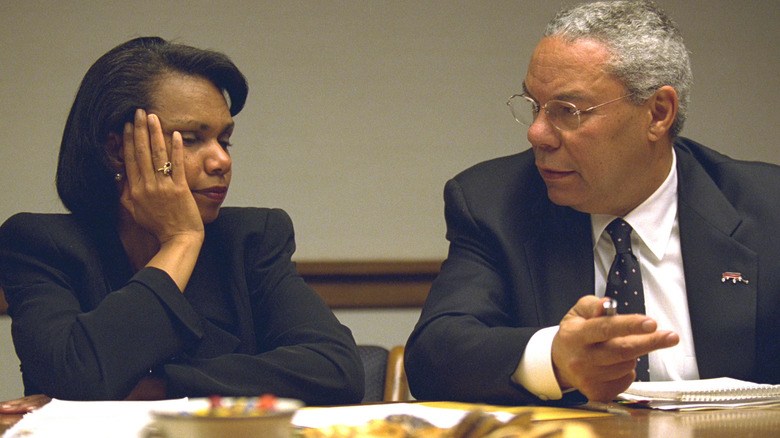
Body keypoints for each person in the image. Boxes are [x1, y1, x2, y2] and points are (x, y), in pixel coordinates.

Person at [405, 0, 780, 405]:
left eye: (567, 111)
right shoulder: (495, 203)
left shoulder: (766, 206)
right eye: (534, 106)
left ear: (657, 113)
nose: (537, 133)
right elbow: (434, 358)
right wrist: (554, 359)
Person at [0, 36, 364, 407]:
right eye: (191, 139)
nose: (221, 160)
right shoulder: (39, 246)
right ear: (116, 150)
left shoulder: (252, 239)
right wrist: (182, 240)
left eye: (225, 140)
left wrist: (158, 386)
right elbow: (74, 380)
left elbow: (337, 370)